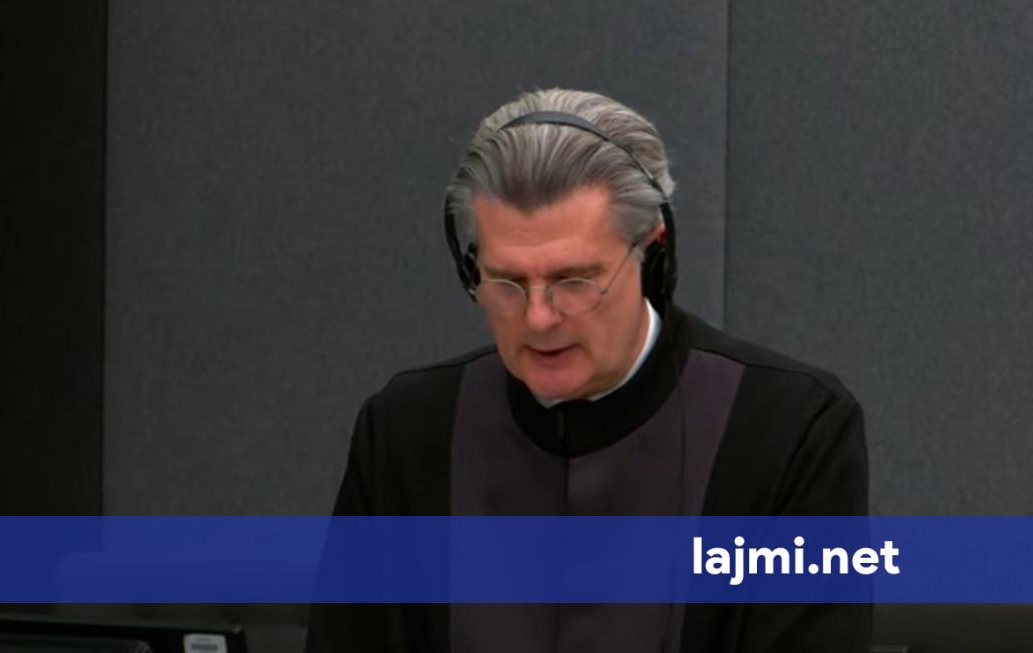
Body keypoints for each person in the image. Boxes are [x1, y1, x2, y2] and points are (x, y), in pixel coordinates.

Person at [306, 88, 870, 652]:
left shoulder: (790, 431)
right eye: (507, 282)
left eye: (573, 280)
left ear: (653, 252)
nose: (538, 318)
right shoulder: (407, 431)